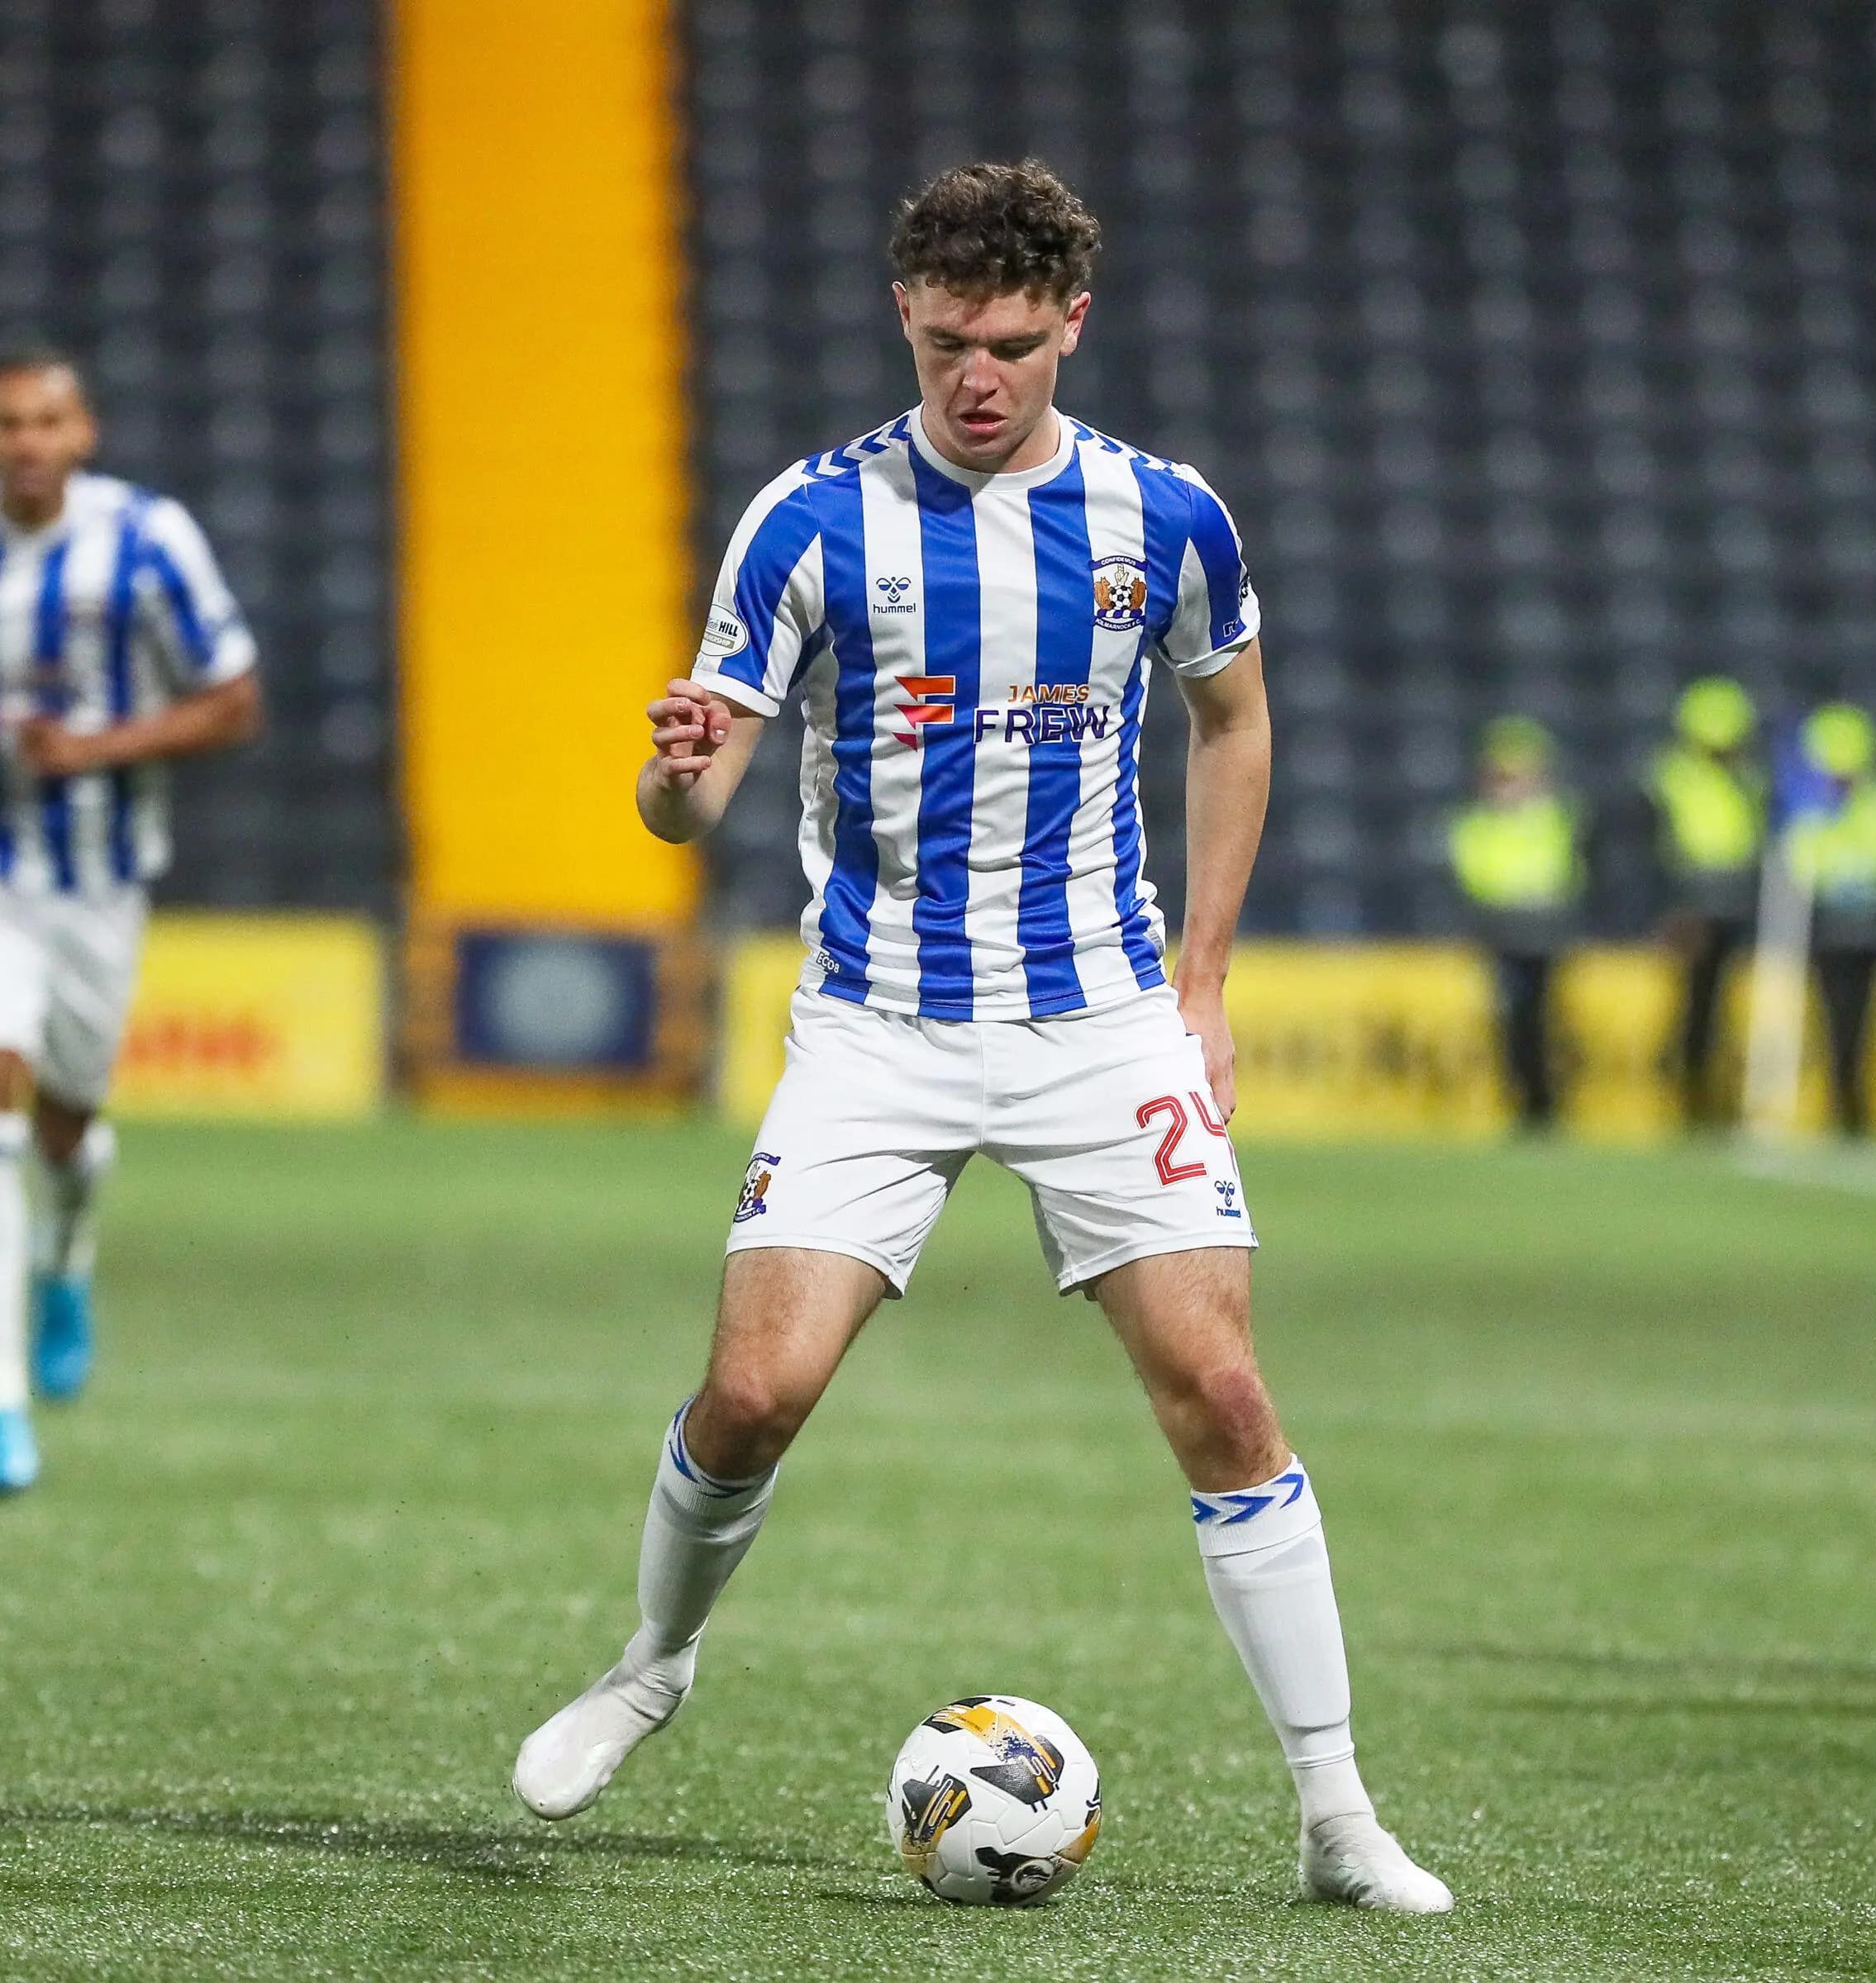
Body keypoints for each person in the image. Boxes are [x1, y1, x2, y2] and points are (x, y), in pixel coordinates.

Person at [510, 161, 1450, 1913]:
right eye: (948, 342)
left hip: (1102, 1013)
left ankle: (1336, 1816)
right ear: (905, 317)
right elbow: (684, 803)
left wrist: (1208, 984)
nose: (978, 379)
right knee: (755, 1392)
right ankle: (651, 1662)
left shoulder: (1165, 518)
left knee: (1227, 1397)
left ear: (1071, 323)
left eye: (1013, 344)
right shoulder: (807, 524)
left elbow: (1233, 722)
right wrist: (666, 765)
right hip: (877, 1020)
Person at [0, 350, 262, 1496]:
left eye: (47, 421)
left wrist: (99, 749)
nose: (26, 442)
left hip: (97, 875)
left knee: (64, 1123)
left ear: (82, 433)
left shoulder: (148, 539)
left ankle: (69, 1245)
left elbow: (236, 699)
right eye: (4, 424)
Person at [1449, 716, 1583, 1131]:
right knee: (1514, 1023)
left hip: (1543, 935)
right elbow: (1476, 876)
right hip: (1504, 935)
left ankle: (1545, 1103)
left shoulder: (1554, 818)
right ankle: (1525, 1102)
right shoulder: (1477, 824)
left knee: (1544, 1022)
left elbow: (1568, 872)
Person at [1643, 677, 1764, 1125]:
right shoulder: (1671, 775)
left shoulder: (1749, 779)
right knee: (1694, 1005)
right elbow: (1656, 848)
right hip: (1692, 906)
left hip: (1735, 902)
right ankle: (1690, 1097)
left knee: (1723, 1006)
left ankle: (1714, 1095)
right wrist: (1671, 909)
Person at [1784, 702, 1876, 1137]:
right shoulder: (1811, 806)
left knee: (1867, 1016)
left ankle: (1858, 1101)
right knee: (1833, 1015)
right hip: (1828, 923)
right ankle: (1840, 1099)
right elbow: (1801, 862)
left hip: (1869, 921)